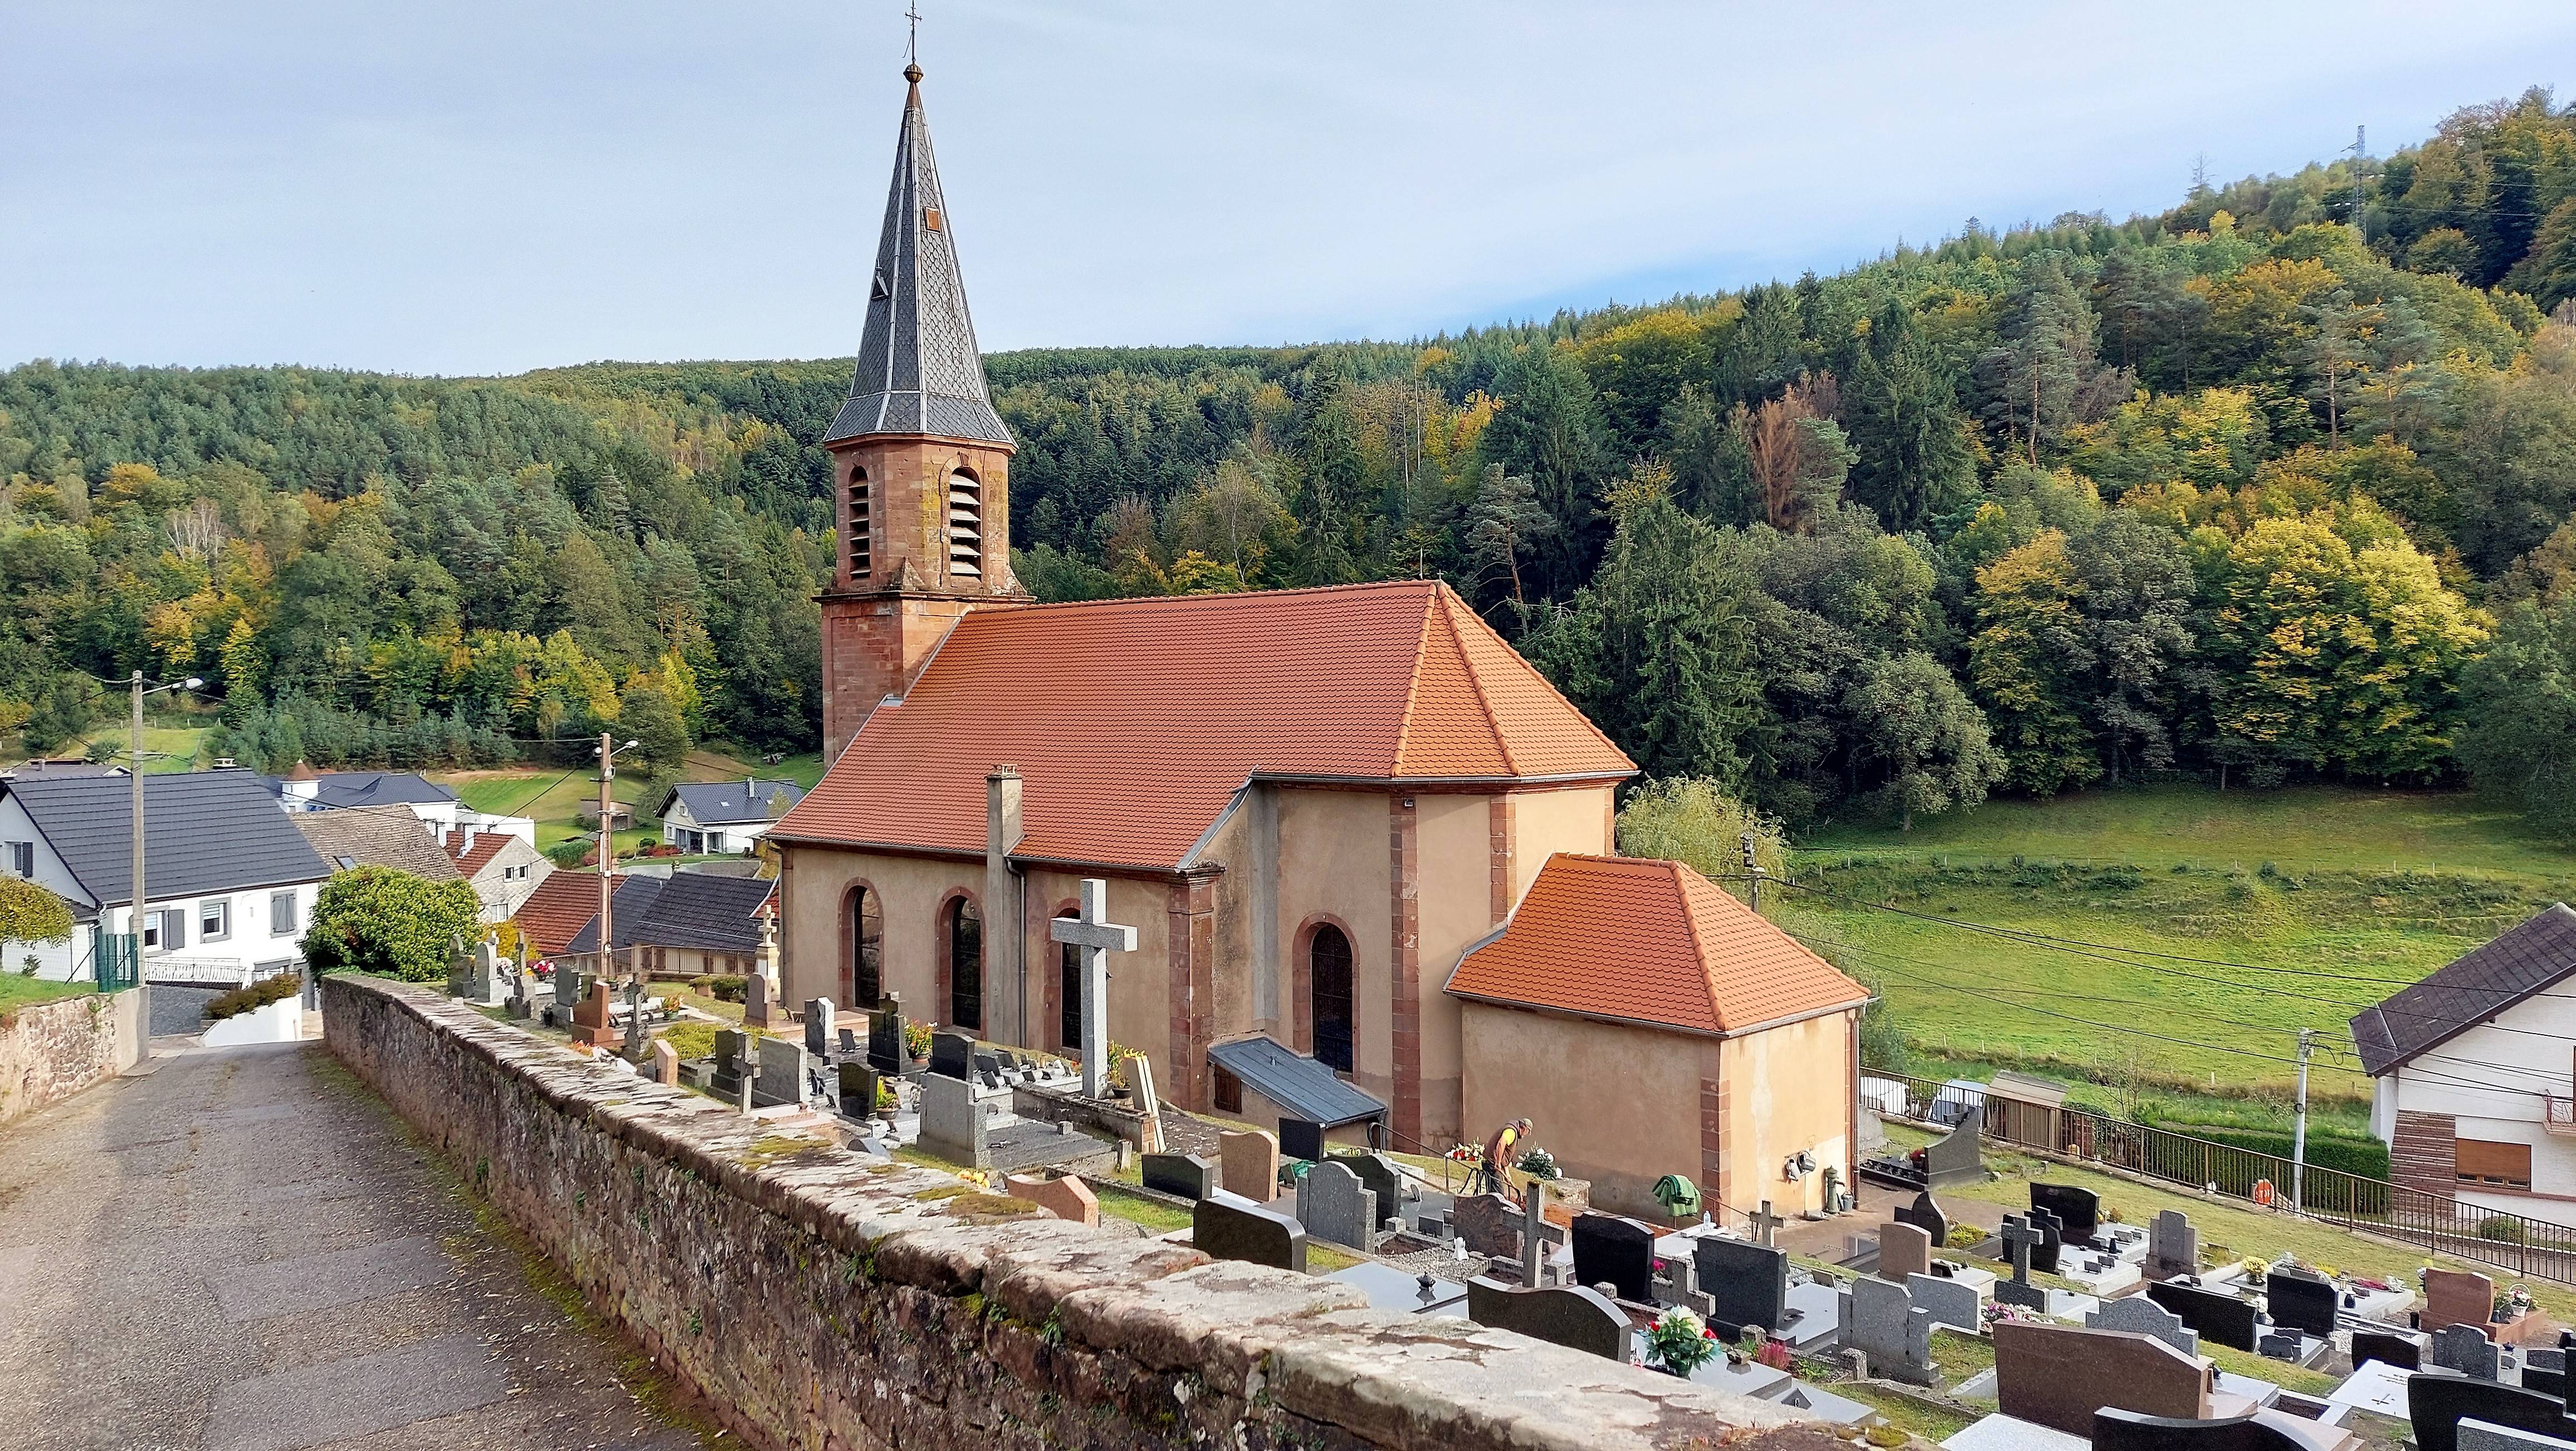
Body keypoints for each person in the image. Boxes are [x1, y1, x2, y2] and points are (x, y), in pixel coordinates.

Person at [1479, 1117, 1533, 1197]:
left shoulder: (1513, 1130)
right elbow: (1501, 1144)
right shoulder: (1512, 1132)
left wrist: (1507, 1174)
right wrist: (1498, 1162)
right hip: (1492, 1164)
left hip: (1491, 1163)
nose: (1526, 1135)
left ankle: (1492, 1208)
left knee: (1494, 1194)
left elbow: (1505, 1154)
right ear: (1525, 1129)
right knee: (1498, 1195)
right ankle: (1495, 1210)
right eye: (1527, 1132)